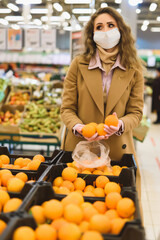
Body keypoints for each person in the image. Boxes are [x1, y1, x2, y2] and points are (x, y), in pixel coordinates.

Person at [60, 6, 144, 219]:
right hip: (80, 150)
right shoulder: (78, 65)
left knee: (115, 213)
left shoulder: (134, 69)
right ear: (92, 34)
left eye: (110, 25)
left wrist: (121, 125)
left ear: (120, 30)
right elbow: (67, 109)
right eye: (99, 27)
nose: (105, 31)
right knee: (74, 212)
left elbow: (136, 112)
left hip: (117, 150)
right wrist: (79, 127)